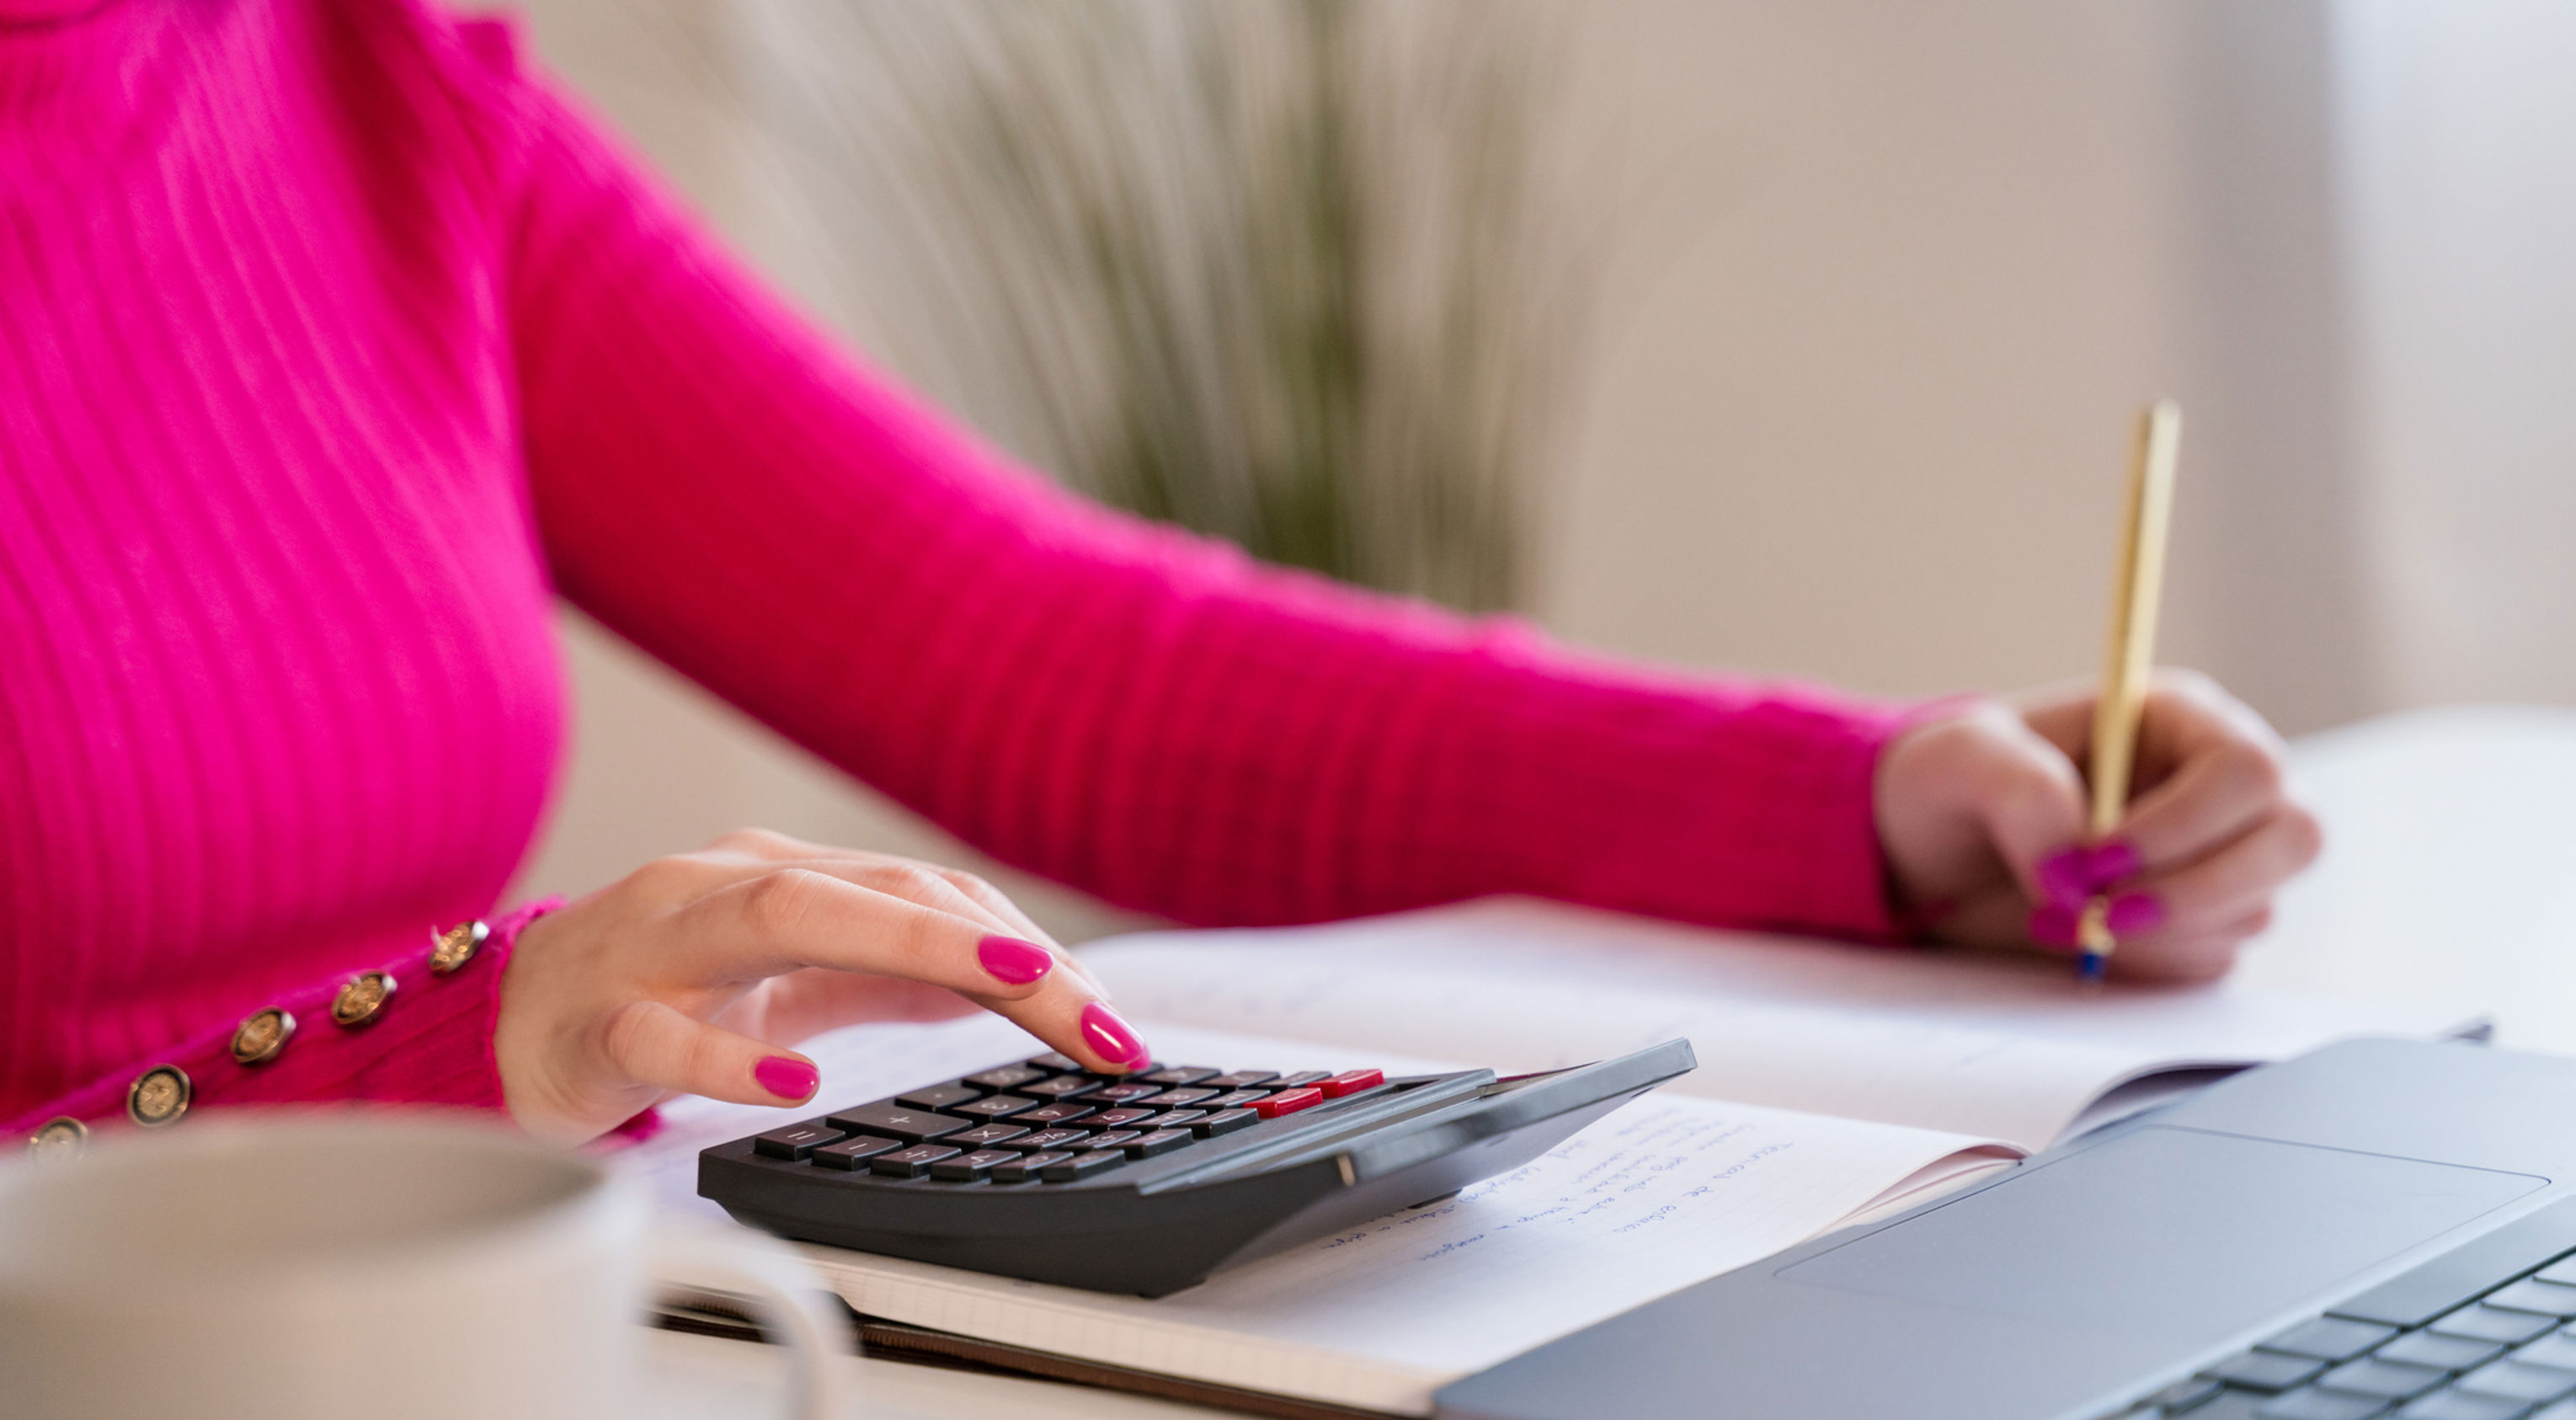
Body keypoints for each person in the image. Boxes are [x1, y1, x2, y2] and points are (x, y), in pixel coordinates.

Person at [0, 0, 2318, 1153]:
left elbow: (1046, 660)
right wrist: (457, 1053)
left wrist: (1876, 808)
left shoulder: (343, 73)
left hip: (431, 1409)